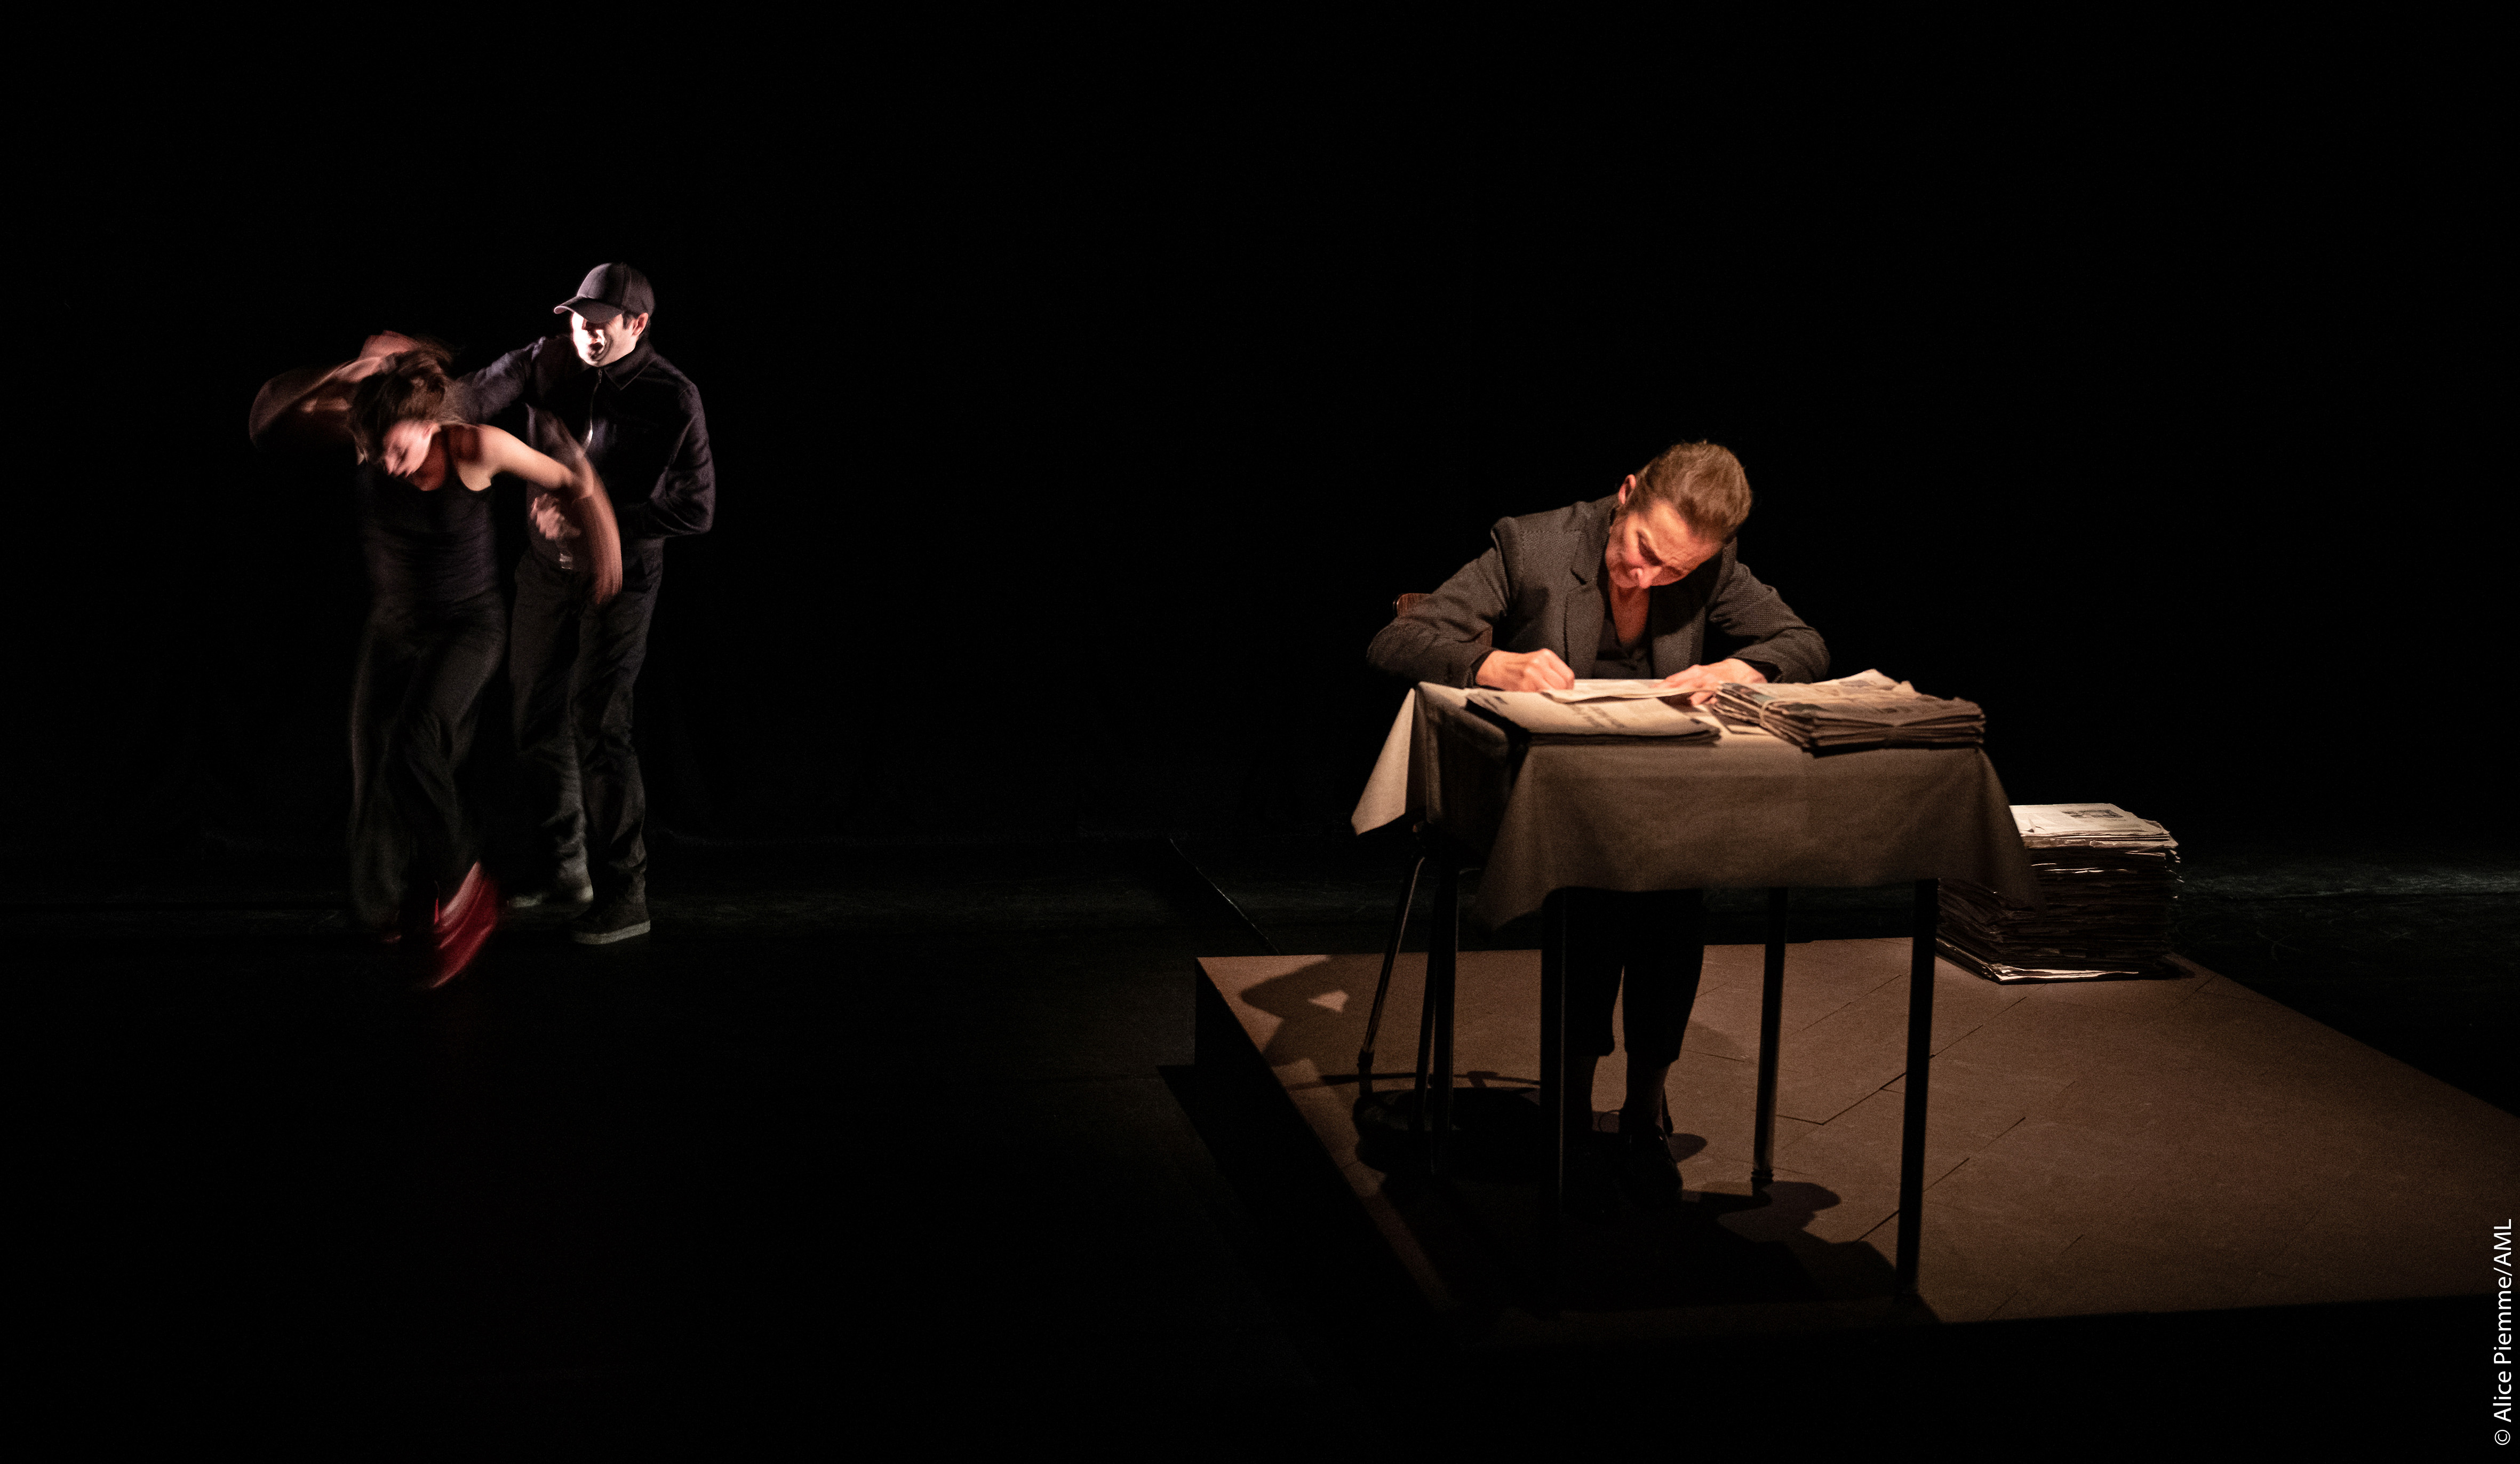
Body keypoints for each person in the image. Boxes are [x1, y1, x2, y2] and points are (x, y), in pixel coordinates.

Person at [1365, 440, 1828, 1217]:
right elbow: (1396, 640)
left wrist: (1738, 669)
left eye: (1674, 571)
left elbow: (1803, 642)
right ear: (1626, 493)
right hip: (1537, 795)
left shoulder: (1708, 563)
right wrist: (1490, 664)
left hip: (1657, 798)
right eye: (1643, 550)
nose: (1647, 576)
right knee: (1600, 885)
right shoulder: (1532, 544)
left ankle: (1643, 1111)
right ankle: (1571, 1110)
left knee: (1674, 888)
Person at [251, 338, 623, 986]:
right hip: (394, 625)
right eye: (375, 453)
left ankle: (467, 886)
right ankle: (383, 907)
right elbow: (267, 420)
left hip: (466, 626)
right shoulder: (370, 428)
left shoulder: (474, 446)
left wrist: (604, 545)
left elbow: (569, 477)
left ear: (429, 425)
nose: (386, 465)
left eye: (398, 450)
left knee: (414, 745)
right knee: (374, 764)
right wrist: (347, 371)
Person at [460, 263, 713, 945]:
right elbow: (475, 395)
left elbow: (696, 508)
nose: (586, 334)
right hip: (546, 573)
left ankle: (626, 893)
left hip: (622, 578)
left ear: (638, 324)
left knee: (600, 723)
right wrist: (409, 396)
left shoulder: (673, 396)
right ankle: (566, 869)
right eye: (578, 319)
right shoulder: (546, 359)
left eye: (601, 324)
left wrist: (597, 522)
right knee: (531, 717)